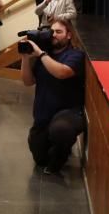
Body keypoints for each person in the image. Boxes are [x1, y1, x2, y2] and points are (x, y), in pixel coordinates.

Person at [19, 19, 85, 175]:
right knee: (40, 158)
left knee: (61, 130)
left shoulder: (76, 54)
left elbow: (62, 72)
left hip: (69, 111)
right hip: (44, 114)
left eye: (59, 32)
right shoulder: (43, 55)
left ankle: (60, 156)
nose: (54, 35)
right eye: (52, 31)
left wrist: (40, 54)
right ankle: (55, 145)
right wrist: (25, 58)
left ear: (69, 35)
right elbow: (28, 82)